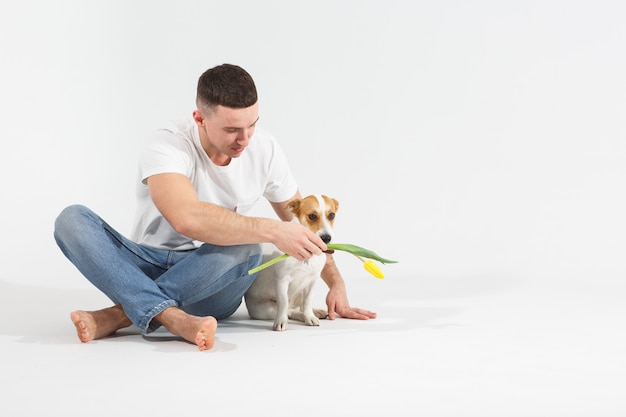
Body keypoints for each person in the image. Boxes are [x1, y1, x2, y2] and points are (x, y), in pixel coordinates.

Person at [53, 63, 376, 351]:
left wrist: (336, 283)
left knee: (247, 246)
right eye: (232, 129)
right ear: (199, 118)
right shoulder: (167, 143)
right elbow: (186, 218)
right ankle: (173, 318)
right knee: (72, 220)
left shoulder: (265, 148)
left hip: (215, 283)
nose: (245, 138)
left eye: (252, 125)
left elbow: (306, 222)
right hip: (147, 266)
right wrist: (271, 229)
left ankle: (120, 314)